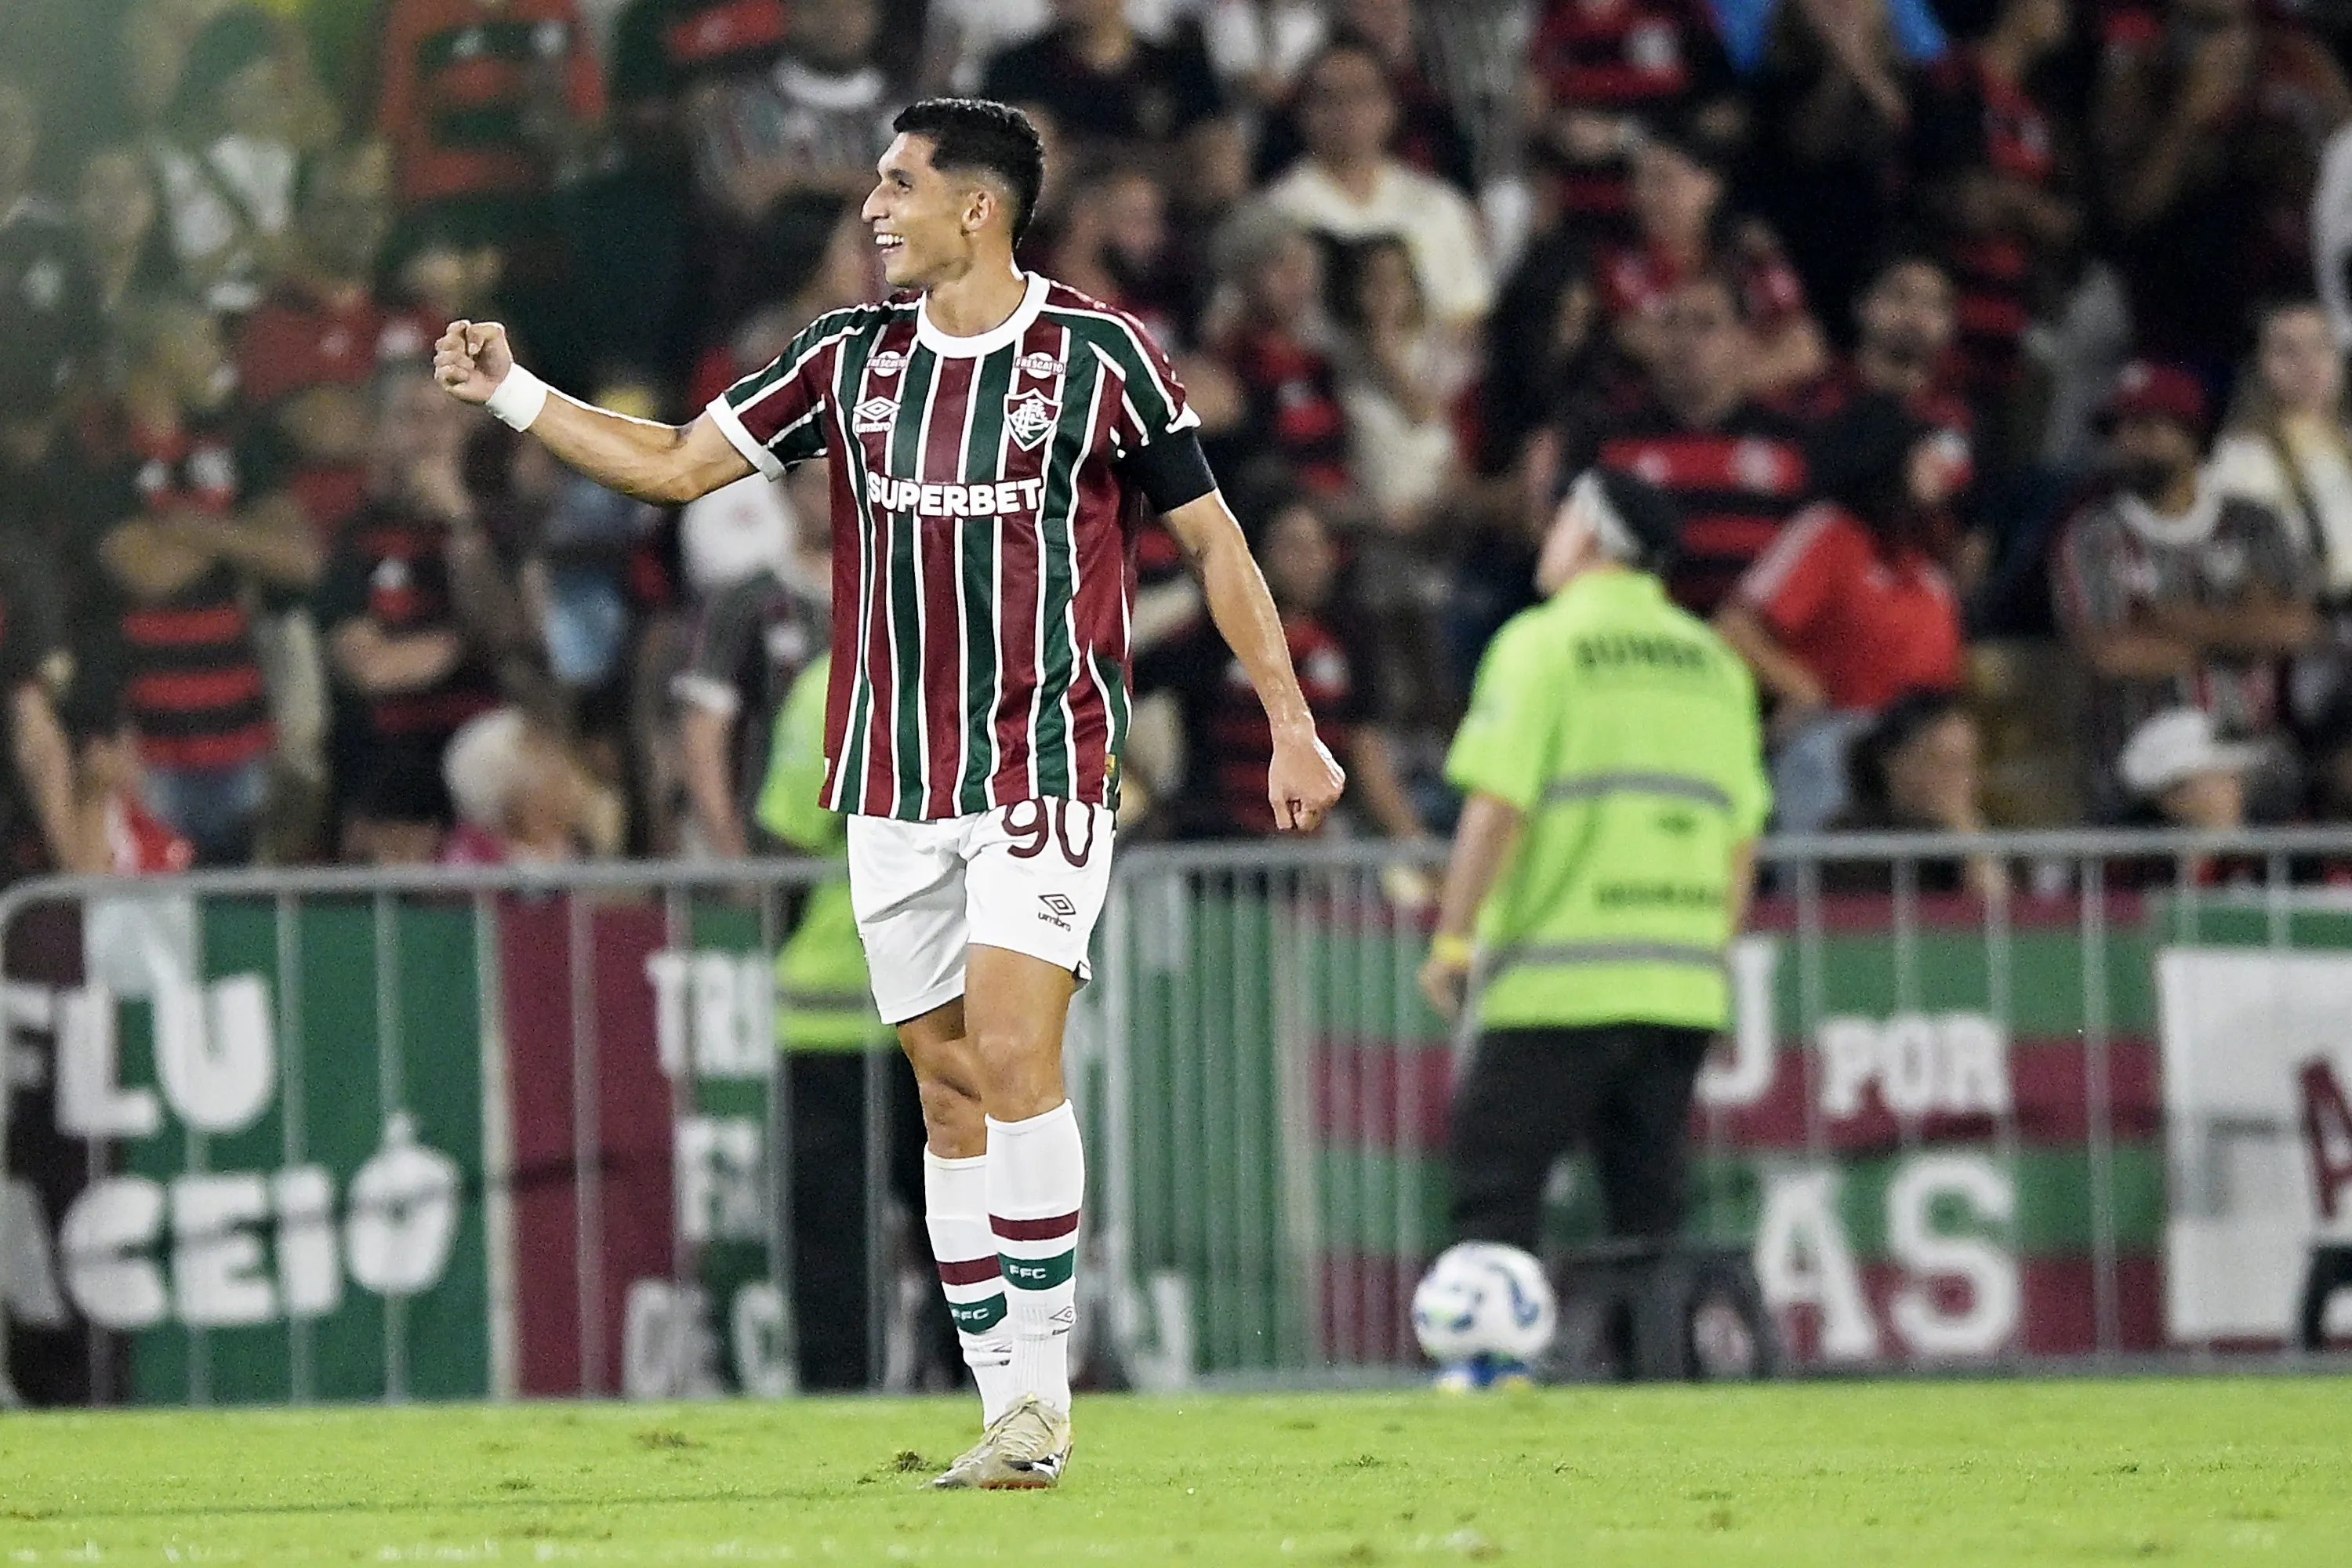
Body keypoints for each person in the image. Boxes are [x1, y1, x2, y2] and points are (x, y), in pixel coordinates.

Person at [430, 96, 1345, 1487]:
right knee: (948, 1088)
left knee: (1019, 1048)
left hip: (1043, 762)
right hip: (891, 782)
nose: (871, 207)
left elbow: (1215, 543)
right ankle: (1004, 1418)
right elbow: (678, 464)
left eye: (898, 184)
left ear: (975, 208)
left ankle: (1043, 1397)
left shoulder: (1100, 355)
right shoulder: (845, 360)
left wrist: (1290, 718)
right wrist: (513, 391)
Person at [1417, 466, 1767, 1384]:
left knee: (1497, 1179)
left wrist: (1453, 940)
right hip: (1681, 979)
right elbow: (1741, 835)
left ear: (1593, 538)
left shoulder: (1544, 646)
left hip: (1558, 976)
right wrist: (1709, 956)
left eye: (1561, 515)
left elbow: (1496, 807)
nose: (1547, 532)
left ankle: (1487, 1368)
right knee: (1648, 1202)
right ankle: (1661, 1372)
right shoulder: (1716, 663)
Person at [2053, 361, 2318, 818]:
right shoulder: (2092, 535)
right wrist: (2240, 634)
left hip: (2252, 746)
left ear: (2193, 435)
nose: (2131, 443)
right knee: (2203, 793)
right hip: (2140, 758)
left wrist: (2170, 621)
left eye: (2150, 427)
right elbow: (2109, 655)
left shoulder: (2252, 522)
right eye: (2122, 430)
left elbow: (2295, 630)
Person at [1714, 394, 1969, 832]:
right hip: (1837, 748)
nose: (1938, 465)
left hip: (1920, 755)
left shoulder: (1927, 563)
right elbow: (1733, 628)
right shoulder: (1830, 532)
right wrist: (1804, 689)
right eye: (1921, 449)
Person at [1563, 270, 1812, 615]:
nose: (1684, 339)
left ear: (1742, 340)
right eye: (1671, 324)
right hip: (1647, 636)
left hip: (1757, 640)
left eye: (1705, 325)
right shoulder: (1612, 442)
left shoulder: (1792, 444)